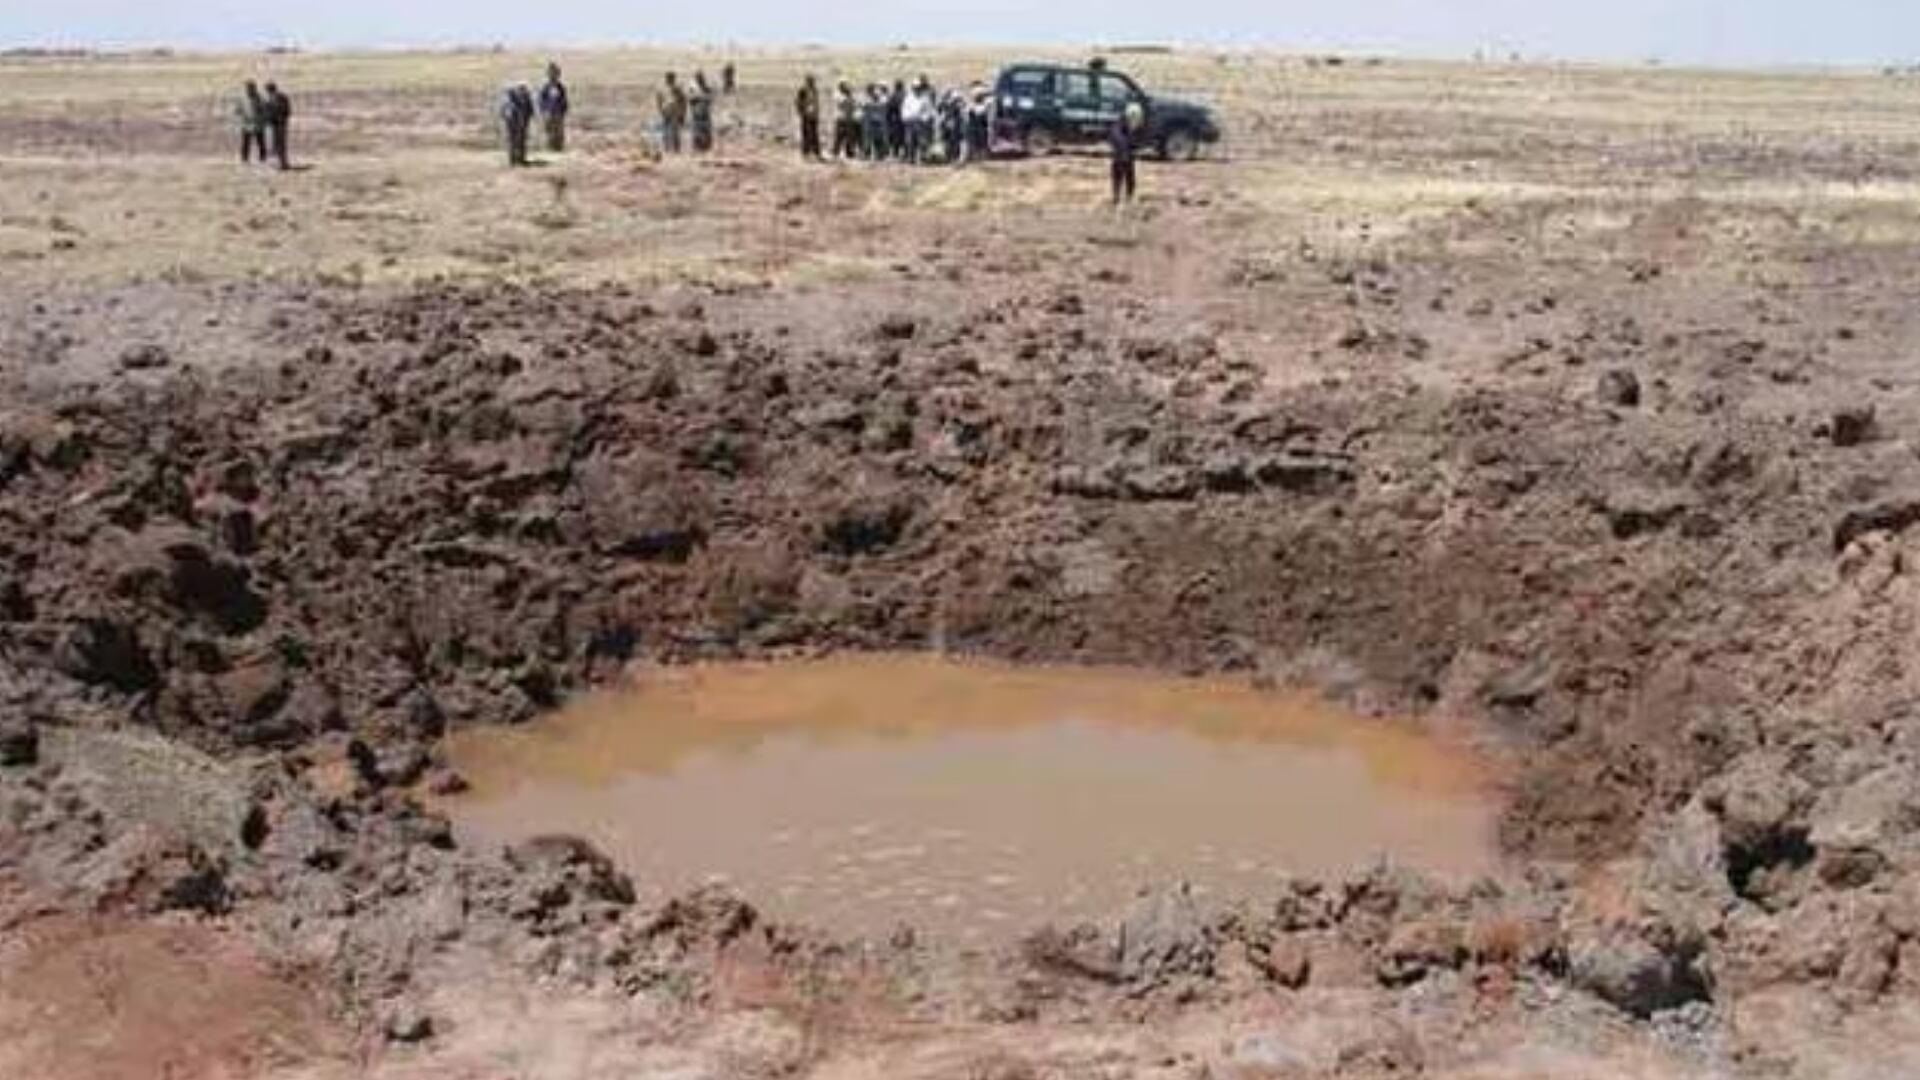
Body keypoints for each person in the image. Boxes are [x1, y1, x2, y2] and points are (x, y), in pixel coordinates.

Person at [1110, 100, 1146, 205]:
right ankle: (1116, 198)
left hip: (1128, 157)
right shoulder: (1119, 126)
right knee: (1118, 177)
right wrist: (1125, 151)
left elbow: (1138, 139)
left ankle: (1128, 197)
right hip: (1120, 157)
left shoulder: (1134, 125)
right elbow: (1116, 138)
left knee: (1130, 178)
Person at [538, 62, 569, 153]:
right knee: (549, 132)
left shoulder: (560, 87)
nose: (554, 76)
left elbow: (564, 100)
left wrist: (563, 111)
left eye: (556, 74)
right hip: (549, 114)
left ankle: (558, 149)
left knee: (559, 133)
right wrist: (544, 111)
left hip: (558, 114)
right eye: (552, 74)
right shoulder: (545, 87)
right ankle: (549, 149)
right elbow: (541, 100)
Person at [500, 83, 534, 166]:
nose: (523, 92)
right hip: (513, 124)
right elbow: (505, 113)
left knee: (519, 141)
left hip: (521, 123)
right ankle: (514, 160)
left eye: (524, 90)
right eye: (521, 90)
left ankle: (519, 159)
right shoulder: (510, 101)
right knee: (514, 141)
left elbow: (529, 111)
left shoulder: (525, 99)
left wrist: (525, 120)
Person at [261, 82, 292, 170]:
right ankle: (278, 164)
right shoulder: (268, 99)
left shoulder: (280, 98)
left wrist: (281, 120)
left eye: (268, 90)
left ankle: (282, 164)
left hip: (278, 125)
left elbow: (287, 111)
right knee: (273, 145)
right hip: (273, 125)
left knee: (279, 144)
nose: (268, 92)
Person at [236, 81, 267, 164]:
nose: (249, 90)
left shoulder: (260, 98)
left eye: (251, 88)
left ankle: (263, 158)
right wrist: (241, 115)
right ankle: (244, 158)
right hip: (246, 124)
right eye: (248, 88)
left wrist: (261, 118)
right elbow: (238, 109)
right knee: (245, 143)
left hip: (258, 124)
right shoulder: (243, 98)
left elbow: (263, 110)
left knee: (260, 142)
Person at [657, 72, 688, 153]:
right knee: (665, 131)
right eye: (669, 78)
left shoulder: (678, 89)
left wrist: (682, 113)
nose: (670, 80)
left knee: (675, 131)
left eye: (672, 78)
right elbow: (659, 99)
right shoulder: (662, 89)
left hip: (675, 111)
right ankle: (666, 148)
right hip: (666, 111)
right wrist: (660, 110)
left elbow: (683, 101)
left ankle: (676, 149)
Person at [795, 75, 823, 161]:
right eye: (810, 81)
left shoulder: (815, 90)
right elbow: (797, 102)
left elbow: (816, 102)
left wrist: (817, 113)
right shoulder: (803, 90)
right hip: (806, 116)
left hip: (814, 116)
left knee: (815, 135)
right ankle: (805, 154)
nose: (812, 82)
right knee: (806, 135)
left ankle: (817, 153)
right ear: (807, 81)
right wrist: (802, 112)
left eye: (813, 81)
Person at [966, 81, 992, 163]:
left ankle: (980, 155)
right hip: (976, 126)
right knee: (976, 140)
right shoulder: (972, 106)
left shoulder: (985, 104)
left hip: (980, 126)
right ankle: (976, 155)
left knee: (981, 140)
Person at [832, 80, 860, 159]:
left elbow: (854, 104)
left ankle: (849, 152)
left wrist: (850, 97)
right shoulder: (837, 95)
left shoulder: (848, 95)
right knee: (839, 136)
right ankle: (835, 152)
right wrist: (849, 98)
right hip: (841, 118)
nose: (847, 87)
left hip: (848, 118)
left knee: (850, 136)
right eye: (845, 86)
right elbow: (843, 103)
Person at [689, 71, 715, 153]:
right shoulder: (693, 90)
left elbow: (710, 99)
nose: (700, 80)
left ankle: (706, 149)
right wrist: (698, 96)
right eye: (698, 78)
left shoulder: (707, 89)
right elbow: (690, 100)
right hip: (696, 115)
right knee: (696, 133)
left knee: (706, 133)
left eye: (701, 78)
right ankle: (697, 148)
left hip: (705, 115)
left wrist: (701, 97)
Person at [862, 83, 889, 161]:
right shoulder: (868, 100)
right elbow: (864, 107)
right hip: (871, 122)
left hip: (879, 122)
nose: (875, 97)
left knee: (879, 139)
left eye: (876, 96)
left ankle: (880, 155)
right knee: (868, 138)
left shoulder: (882, 100)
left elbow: (883, 108)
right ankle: (867, 154)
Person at [886, 79, 906, 159]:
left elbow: (889, 108)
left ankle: (896, 153)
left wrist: (889, 118)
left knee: (896, 137)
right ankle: (905, 153)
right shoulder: (905, 95)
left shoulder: (893, 95)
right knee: (903, 136)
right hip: (904, 118)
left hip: (896, 118)